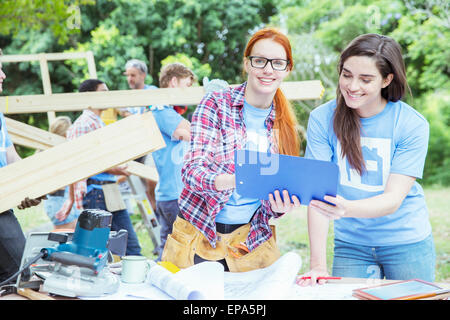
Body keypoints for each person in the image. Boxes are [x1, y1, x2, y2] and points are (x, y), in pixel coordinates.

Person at [298, 34, 435, 286]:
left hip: (406, 241)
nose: (352, 86)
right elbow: (317, 197)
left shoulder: (411, 124)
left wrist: (345, 209)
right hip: (352, 244)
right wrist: (317, 265)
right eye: (347, 74)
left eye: (366, 79)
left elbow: (393, 200)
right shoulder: (321, 119)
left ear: (387, 79)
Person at [161, 27, 301, 272]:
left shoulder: (284, 122)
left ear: (287, 69)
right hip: (199, 234)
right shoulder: (216, 104)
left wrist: (279, 207)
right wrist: (239, 179)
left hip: (251, 240)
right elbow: (192, 173)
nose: (268, 69)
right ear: (247, 64)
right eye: (260, 61)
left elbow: (273, 196)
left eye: (277, 63)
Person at [57, 79, 142, 256]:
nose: (107, 95)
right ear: (90, 96)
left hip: (108, 190)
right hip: (96, 192)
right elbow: (79, 163)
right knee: (97, 250)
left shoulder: (97, 122)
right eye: (103, 91)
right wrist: (114, 169)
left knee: (127, 245)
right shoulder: (84, 124)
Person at [0, 49, 46, 284]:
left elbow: (10, 156)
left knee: (18, 275)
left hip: (2, 206)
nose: (3, 75)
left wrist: (31, 186)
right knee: (17, 274)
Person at [150, 63, 195, 260]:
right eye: (186, 86)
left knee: (169, 248)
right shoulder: (161, 110)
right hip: (174, 194)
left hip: (169, 193)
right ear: (174, 82)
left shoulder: (166, 111)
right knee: (183, 249)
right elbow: (189, 132)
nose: (187, 93)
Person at [121, 58, 158, 212]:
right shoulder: (126, 96)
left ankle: (155, 209)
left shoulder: (152, 91)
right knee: (127, 176)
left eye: (133, 75)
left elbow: (152, 115)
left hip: (151, 143)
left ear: (143, 75)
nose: (130, 79)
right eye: (128, 75)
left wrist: (133, 117)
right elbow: (124, 113)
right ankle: (149, 210)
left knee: (151, 178)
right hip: (134, 144)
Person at [43, 116, 80, 230]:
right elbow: (47, 187)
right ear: (64, 134)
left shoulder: (63, 153)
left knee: (72, 241)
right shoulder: (48, 155)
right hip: (58, 201)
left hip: (65, 200)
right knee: (64, 243)